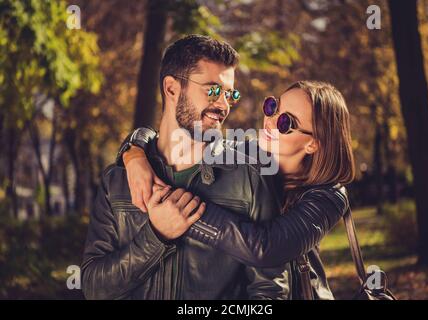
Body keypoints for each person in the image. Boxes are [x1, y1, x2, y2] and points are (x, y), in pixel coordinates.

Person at [81, 34, 291, 300]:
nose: (224, 106)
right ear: (171, 89)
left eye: (230, 94)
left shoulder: (249, 177)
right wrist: (156, 237)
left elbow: (270, 293)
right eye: (213, 90)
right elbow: (93, 288)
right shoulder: (117, 182)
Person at [117, 80, 355, 299]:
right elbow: (160, 137)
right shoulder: (245, 158)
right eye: (273, 107)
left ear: (313, 143)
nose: (271, 121)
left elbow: (265, 247)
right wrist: (134, 153)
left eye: (286, 123)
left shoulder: (328, 197)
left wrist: (177, 208)